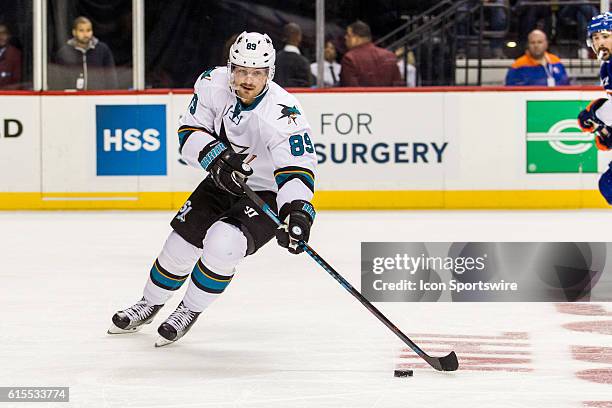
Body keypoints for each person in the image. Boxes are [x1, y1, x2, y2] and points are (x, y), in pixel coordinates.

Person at [108, 31, 317, 347]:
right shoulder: (211, 84)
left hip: (267, 192)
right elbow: (189, 132)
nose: (248, 79)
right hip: (225, 177)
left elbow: (296, 170)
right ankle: (149, 303)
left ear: (269, 73)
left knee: (224, 245)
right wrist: (216, 159)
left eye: (257, 72)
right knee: (179, 246)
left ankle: (188, 310)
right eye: (241, 70)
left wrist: (298, 213)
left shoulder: (284, 113)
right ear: (230, 67)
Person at [577, 12, 612, 205]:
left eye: (605, 36)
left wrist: (596, 115)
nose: (600, 42)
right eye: (596, 38)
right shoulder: (607, 66)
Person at [49, 16, 117, 90]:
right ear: (74, 32)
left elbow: (111, 77)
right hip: (72, 98)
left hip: (97, 97)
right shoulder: (64, 52)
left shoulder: (103, 50)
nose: (85, 34)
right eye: (81, 30)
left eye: (88, 30)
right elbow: (58, 79)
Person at [340, 20, 401, 87]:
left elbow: (350, 90)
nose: (345, 37)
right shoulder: (389, 56)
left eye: (348, 35)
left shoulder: (350, 58)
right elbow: (398, 87)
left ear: (356, 38)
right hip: (387, 97)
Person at [505, 29, 569, 86]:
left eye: (539, 42)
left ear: (546, 44)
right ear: (528, 45)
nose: (536, 46)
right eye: (532, 43)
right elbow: (510, 91)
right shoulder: (518, 65)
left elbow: (566, 84)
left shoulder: (555, 61)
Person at [274, 23, 312, 88]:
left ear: (284, 37)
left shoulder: (274, 59)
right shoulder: (303, 62)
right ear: (299, 37)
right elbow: (307, 86)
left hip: (275, 96)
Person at [0, 23, 22, 89]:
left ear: (8, 36)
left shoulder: (15, 53)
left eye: (3, 34)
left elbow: (16, 80)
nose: (1, 37)